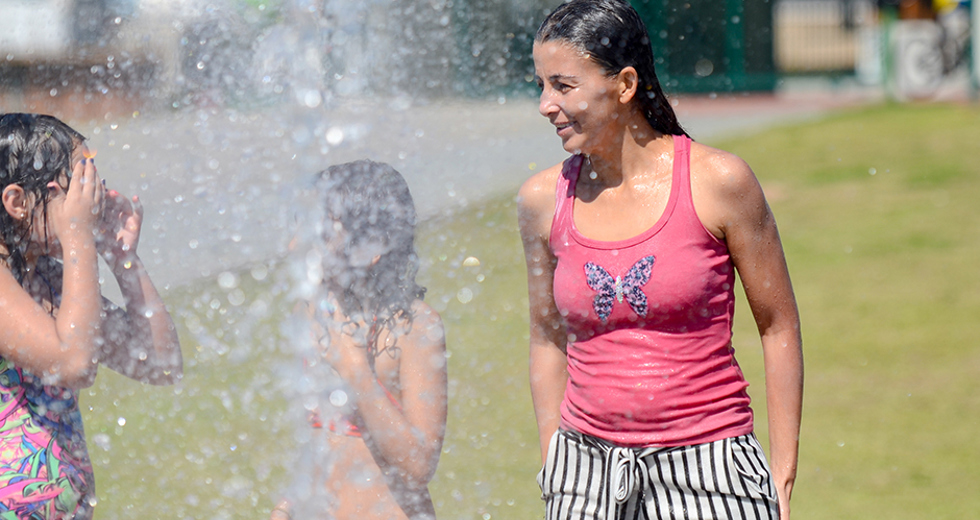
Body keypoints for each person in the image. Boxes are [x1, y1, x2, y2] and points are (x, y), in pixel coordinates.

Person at [517, 2, 804, 519]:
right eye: (541, 85)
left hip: (711, 469)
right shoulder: (542, 200)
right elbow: (546, 337)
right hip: (585, 472)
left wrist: (781, 473)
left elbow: (778, 324)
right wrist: (554, 462)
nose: (545, 105)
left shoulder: (719, 183)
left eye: (563, 86)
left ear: (625, 85)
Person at [0, 113, 182, 519]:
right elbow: (74, 363)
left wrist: (122, 258)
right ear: (18, 202)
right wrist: (78, 234)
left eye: (93, 182)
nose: (93, 201)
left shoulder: (48, 279)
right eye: (77, 187)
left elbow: (160, 364)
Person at [272, 160, 447, 520]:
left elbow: (418, 466)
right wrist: (288, 504)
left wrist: (356, 371)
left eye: (318, 234)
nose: (293, 245)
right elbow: (319, 442)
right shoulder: (309, 312)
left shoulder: (414, 327)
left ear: (372, 246)